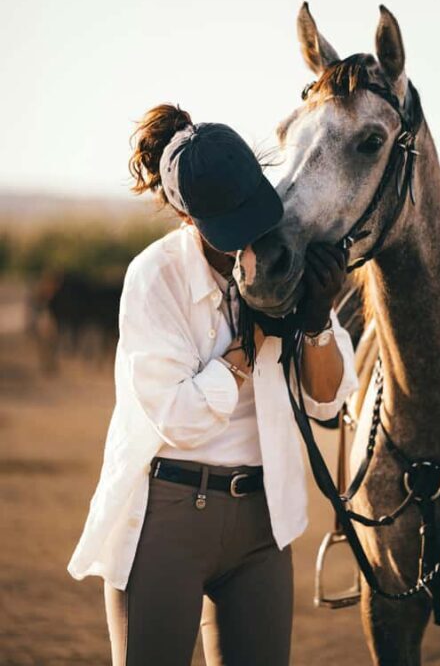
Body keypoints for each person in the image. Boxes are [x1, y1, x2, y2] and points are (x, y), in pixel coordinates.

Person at [66, 104, 358, 666]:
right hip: (166, 516)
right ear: (187, 217)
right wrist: (245, 350)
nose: (249, 235)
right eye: (229, 225)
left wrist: (318, 320)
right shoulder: (155, 279)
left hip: (262, 523)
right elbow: (177, 418)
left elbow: (327, 400)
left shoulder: (284, 258)